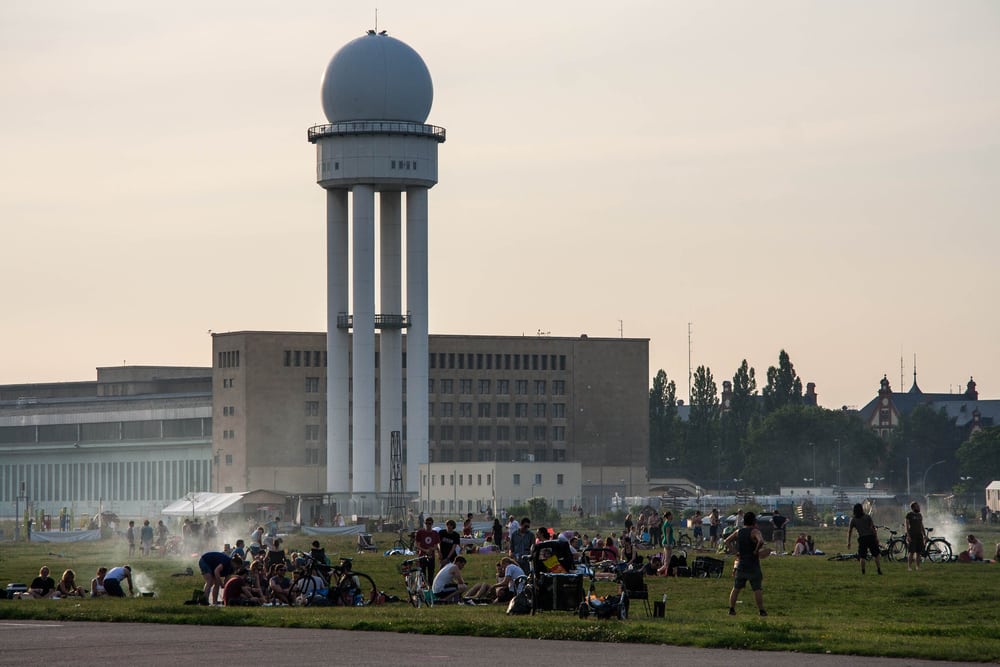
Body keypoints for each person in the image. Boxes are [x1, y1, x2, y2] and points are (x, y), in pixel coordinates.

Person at [726, 511, 768, 617]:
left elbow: (726, 541)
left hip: (741, 564)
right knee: (757, 588)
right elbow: (761, 541)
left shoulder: (738, 531)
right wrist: (756, 550)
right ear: (754, 521)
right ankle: (761, 610)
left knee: (736, 588)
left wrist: (736, 553)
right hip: (753, 564)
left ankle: (731, 609)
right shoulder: (755, 531)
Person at [847, 503, 882, 575]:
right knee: (876, 554)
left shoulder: (853, 520)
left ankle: (863, 571)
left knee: (862, 556)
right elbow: (873, 528)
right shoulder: (867, 517)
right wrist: (876, 538)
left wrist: (849, 542)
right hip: (870, 537)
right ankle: (878, 569)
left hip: (862, 538)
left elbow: (850, 531)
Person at [415, 516, 440, 583]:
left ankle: (430, 587)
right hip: (422, 556)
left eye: (429, 523)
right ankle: (423, 587)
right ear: (424, 523)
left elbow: (436, 545)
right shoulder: (420, 532)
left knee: (431, 573)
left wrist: (432, 549)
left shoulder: (435, 533)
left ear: (432, 524)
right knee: (422, 573)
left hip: (431, 556)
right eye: (426, 523)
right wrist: (425, 550)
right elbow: (417, 545)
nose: (428, 525)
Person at [905, 502, 925, 572]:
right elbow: (907, 526)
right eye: (917, 506)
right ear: (913, 507)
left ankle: (917, 567)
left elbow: (921, 525)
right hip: (912, 535)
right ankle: (909, 567)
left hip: (919, 535)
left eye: (919, 506)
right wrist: (908, 535)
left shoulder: (920, 515)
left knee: (918, 552)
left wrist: (924, 534)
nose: (919, 507)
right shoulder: (909, 515)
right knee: (911, 552)